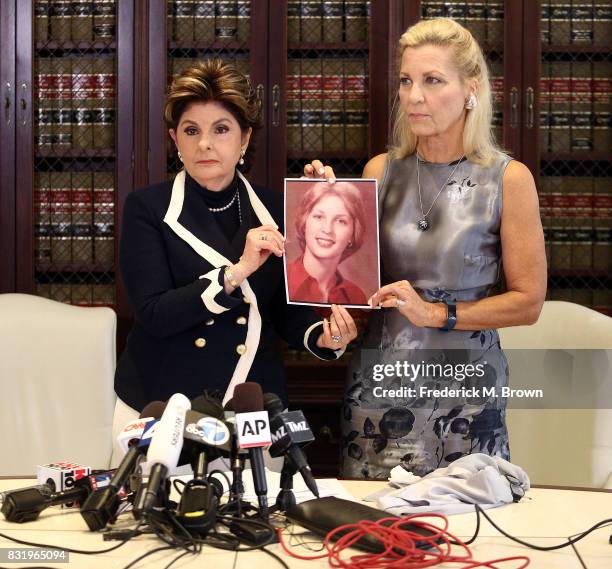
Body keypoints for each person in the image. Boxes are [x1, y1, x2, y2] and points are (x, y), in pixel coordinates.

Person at [305, 18, 546, 478]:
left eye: (432, 81)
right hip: (377, 394)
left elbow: (529, 302)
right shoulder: (380, 171)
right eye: (406, 80)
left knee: (468, 537)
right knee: (372, 537)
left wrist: (437, 313)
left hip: (466, 399)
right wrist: (321, 206)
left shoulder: (508, 180)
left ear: (470, 88)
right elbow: (353, 290)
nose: (414, 96)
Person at [112, 60, 357, 464]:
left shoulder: (279, 209)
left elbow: (285, 312)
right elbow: (154, 313)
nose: (205, 144)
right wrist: (234, 273)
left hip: (250, 405)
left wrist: (324, 336)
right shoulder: (148, 208)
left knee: (260, 516)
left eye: (221, 129)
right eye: (191, 131)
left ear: (244, 139)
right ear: (176, 139)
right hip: (163, 405)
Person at [287, 181, 368, 305]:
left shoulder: (355, 296)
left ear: (353, 234)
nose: (327, 229)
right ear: (304, 223)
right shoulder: (281, 279)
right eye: (319, 217)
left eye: (340, 221)